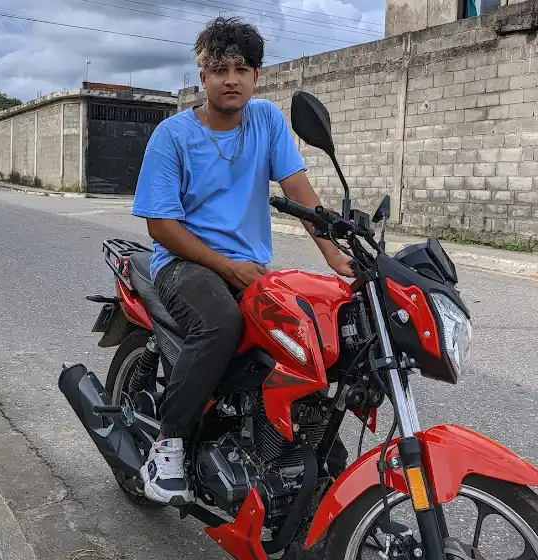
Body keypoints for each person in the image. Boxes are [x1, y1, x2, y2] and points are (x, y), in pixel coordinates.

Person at [131, 16, 352, 505]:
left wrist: (336, 254)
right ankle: (167, 444)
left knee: (307, 335)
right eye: (219, 69)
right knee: (220, 323)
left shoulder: (266, 120)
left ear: (256, 76)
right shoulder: (172, 136)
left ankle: (294, 452)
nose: (230, 79)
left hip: (249, 268)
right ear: (203, 76)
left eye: (241, 69)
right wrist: (226, 267)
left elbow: (299, 192)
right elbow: (160, 226)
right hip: (183, 263)